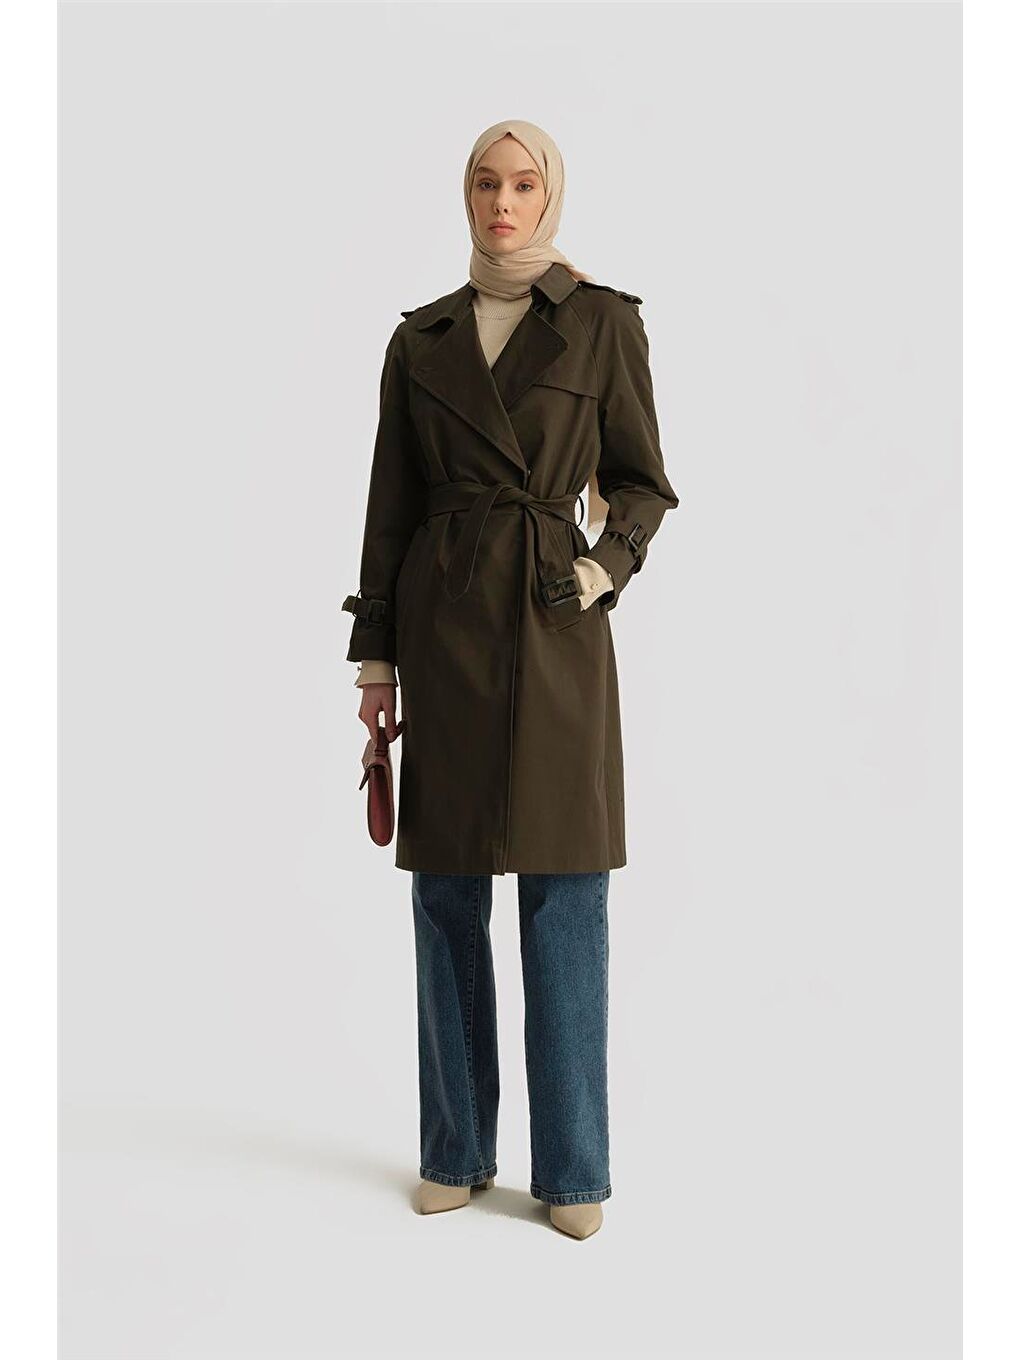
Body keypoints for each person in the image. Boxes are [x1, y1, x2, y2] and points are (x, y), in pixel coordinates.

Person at [342, 119, 679, 1239]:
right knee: (445, 891)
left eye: (524, 184)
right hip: (443, 630)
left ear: (550, 197)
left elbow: (642, 481)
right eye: (486, 183)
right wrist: (377, 660)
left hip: (552, 622)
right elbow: (390, 508)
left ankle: (574, 1171)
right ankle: (455, 1149)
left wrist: (602, 567)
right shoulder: (421, 339)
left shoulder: (601, 323)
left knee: (564, 892)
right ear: (467, 195)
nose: (503, 202)